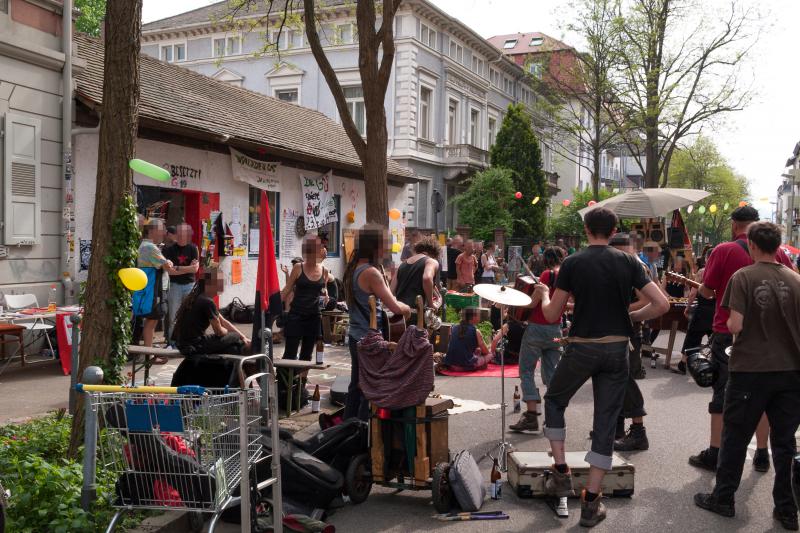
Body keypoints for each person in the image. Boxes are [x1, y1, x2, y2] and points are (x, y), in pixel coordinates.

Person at [533, 207, 668, 527]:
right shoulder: (630, 262)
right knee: (607, 419)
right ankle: (591, 502)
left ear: (586, 229)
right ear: (613, 230)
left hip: (582, 348)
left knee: (554, 399)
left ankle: (562, 471)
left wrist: (541, 295)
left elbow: (552, 315)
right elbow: (661, 304)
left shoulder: (573, 262)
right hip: (617, 350)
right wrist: (631, 317)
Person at [694, 222, 800, 530]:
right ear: (779, 246)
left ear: (752, 245)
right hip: (790, 371)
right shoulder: (795, 279)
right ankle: (786, 508)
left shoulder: (743, 277)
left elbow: (735, 325)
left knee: (736, 436)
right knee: (785, 444)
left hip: (750, 369)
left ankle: (724, 498)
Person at [343, 227, 411, 420]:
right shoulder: (371, 273)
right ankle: (363, 433)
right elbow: (395, 307)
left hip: (356, 335)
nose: (388, 248)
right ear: (374, 246)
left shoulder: (354, 267)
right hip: (370, 339)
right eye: (384, 244)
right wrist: (408, 309)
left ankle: (346, 431)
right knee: (369, 389)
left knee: (356, 386)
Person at [510, 246, 567, 433]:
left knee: (526, 371)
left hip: (537, 329)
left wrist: (511, 299)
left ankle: (531, 416)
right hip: (556, 329)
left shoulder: (547, 275)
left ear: (546, 259)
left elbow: (532, 302)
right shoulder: (567, 276)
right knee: (552, 374)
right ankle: (553, 417)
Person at [608, 233, 652, 451]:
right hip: (615, 328)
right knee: (615, 380)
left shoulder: (637, 267)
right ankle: (615, 427)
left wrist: (622, 310)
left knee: (625, 379)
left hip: (631, 331)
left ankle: (638, 431)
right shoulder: (620, 266)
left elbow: (647, 299)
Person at [172, 267, 251, 355]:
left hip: (183, 344)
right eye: (220, 282)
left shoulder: (196, 297)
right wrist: (230, 333)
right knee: (235, 336)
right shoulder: (207, 302)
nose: (222, 286)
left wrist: (243, 337)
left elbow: (223, 321)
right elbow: (219, 332)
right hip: (194, 346)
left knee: (237, 338)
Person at [137, 218, 181, 361]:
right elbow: (168, 267)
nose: (164, 232)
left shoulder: (146, 246)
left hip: (149, 289)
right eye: (162, 229)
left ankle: (149, 352)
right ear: (152, 231)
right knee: (151, 322)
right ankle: (149, 355)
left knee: (152, 322)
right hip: (152, 290)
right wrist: (168, 262)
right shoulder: (150, 248)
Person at [280, 235, 328, 361]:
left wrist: (326, 297)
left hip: (314, 317)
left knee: (307, 354)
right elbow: (287, 289)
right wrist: (270, 305)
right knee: (290, 353)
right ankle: (286, 380)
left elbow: (324, 291)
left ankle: (302, 380)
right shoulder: (298, 267)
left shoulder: (324, 271)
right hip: (296, 315)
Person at [675, 247, 715, 375]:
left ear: (706, 258)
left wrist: (688, 307)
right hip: (715, 312)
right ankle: (715, 365)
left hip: (702, 311)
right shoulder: (720, 271)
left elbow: (693, 292)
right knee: (714, 341)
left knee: (692, 337)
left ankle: (683, 363)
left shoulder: (702, 272)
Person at [163, 222, 199, 344]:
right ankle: (172, 343)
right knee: (173, 316)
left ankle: (187, 341)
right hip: (174, 286)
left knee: (189, 315)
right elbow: (170, 272)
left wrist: (178, 268)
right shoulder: (169, 250)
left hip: (189, 285)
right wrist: (187, 268)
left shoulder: (193, 248)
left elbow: (195, 269)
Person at [391, 235, 441, 324]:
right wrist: (431, 303)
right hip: (418, 314)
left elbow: (391, 291)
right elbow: (427, 278)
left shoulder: (402, 265)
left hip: (400, 315)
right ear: (434, 253)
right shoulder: (431, 261)